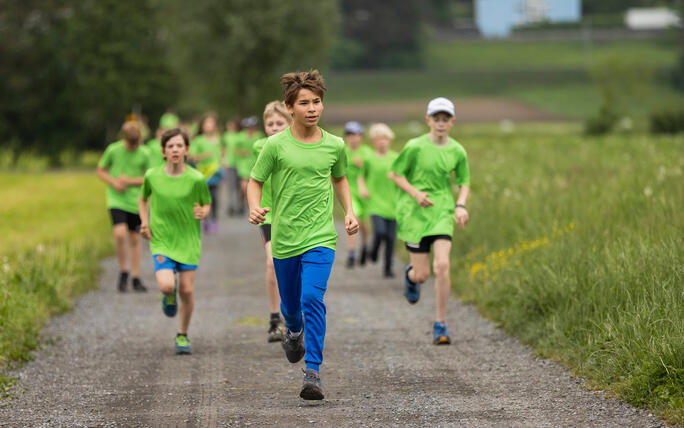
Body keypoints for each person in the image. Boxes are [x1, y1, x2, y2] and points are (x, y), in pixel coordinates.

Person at [248, 70, 358, 400]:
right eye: (304, 103)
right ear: (289, 107)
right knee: (291, 308)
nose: (312, 108)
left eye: (317, 102)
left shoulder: (335, 145)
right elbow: (255, 181)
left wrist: (349, 211)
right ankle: (293, 331)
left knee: (312, 298)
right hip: (284, 238)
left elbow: (340, 178)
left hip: (321, 236)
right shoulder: (275, 145)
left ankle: (313, 371)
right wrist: (255, 207)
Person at [389, 97, 470, 346]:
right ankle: (411, 276)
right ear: (428, 120)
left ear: (452, 122)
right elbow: (395, 173)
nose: (441, 123)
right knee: (423, 275)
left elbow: (464, 182)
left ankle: (440, 324)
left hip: (442, 212)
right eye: (437, 119)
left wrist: (460, 206)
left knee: (442, 266)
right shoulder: (414, 146)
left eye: (446, 119)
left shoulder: (457, 150)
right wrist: (415, 193)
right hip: (414, 214)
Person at [139, 128, 212, 354]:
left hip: (188, 240)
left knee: (187, 291)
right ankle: (168, 295)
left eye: (180, 146)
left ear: (187, 150)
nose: (175, 150)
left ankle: (182, 334)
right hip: (162, 239)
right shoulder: (152, 175)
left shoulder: (196, 178)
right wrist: (144, 222)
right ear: (163, 151)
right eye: (170, 146)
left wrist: (203, 212)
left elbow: (206, 203)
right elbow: (143, 200)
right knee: (167, 284)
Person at [251, 101, 292, 343]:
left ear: (289, 123)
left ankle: (293, 315)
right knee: (271, 263)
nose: (274, 128)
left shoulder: (298, 146)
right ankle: (274, 317)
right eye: (270, 124)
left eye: (280, 123)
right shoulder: (260, 146)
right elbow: (255, 179)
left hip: (292, 213)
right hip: (268, 213)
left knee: (293, 265)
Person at [96, 120, 150, 293]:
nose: (133, 147)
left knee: (135, 239)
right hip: (116, 199)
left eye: (136, 144)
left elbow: (150, 178)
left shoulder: (145, 153)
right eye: (129, 143)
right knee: (119, 235)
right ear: (124, 138)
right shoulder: (113, 150)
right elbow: (100, 170)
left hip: (136, 201)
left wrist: (130, 181)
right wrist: (113, 182)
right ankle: (123, 270)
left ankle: (135, 276)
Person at [358, 123, 399, 278]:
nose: (382, 142)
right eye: (378, 139)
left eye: (385, 138)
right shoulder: (369, 159)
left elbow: (403, 177)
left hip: (392, 203)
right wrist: (362, 188)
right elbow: (361, 176)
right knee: (380, 232)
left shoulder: (396, 158)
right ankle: (373, 250)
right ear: (373, 142)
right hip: (375, 202)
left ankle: (388, 268)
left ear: (390, 140)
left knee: (390, 238)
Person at [343, 121, 372, 268]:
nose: (352, 138)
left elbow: (374, 174)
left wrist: (363, 166)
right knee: (353, 220)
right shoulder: (342, 152)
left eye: (355, 134)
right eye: (349, 134)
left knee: (364, 224)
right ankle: (352, 253)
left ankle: (365, 245)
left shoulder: (367, 153)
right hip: (349, 193)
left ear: (361, 136)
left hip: (366, 194)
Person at [188, 113, 223, 233]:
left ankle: (214, 220)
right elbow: (191, 157)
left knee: (215, 197)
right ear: (202, 126)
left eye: (212, 123)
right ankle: (205, 220)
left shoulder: (217, 139)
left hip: (215, 173)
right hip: (202, 174)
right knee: (204, 198)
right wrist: (203, 156)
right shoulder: (198, 140)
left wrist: (221, 163)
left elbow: (219, 154)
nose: (210, 126)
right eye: (207, 123)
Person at [235, 116, 262, 210]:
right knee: (244, 183)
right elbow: (235, 150)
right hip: (243, 163)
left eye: (253, 126)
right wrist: (242, 152)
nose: (251, 129)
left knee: (253, 182)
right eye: (249, 127)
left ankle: (246, 198)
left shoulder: (258, 135)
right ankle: (245, 198)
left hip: (254, 162)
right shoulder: (240, 136)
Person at [222, 118, 244, 216]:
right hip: (230, 163)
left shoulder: (240, 136)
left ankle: (240, 205)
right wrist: (223, 160)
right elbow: (223, 148)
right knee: (230, 187)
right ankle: (231, 206)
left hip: (240, 164)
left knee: (239, 187)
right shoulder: (226, 136)